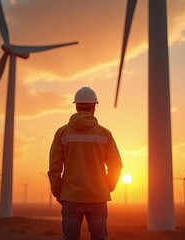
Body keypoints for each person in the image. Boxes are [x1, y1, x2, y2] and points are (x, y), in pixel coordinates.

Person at [48, 87, 123, 240]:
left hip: (71, 197)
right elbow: (116, 166)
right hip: (97, 197)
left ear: (76, 106)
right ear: (94, 107)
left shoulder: (62, 133)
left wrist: (58, 192)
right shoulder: (104, 134)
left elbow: (54, 168)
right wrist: (106, 187)